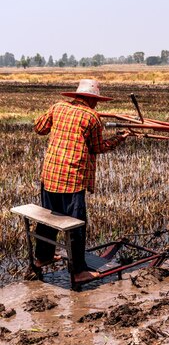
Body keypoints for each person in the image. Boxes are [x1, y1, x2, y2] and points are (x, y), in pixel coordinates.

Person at [33, 79, 130, 283]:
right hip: (72, 179)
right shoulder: (92, 117)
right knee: (76, 225)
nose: (96, 105)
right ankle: (78, 271)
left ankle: (43, 257)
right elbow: (97, 147)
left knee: (49, 217)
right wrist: (120, 138)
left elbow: (39, 128)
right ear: (90, 99)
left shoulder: (58, 107)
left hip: (50, 175)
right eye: (95, 101)